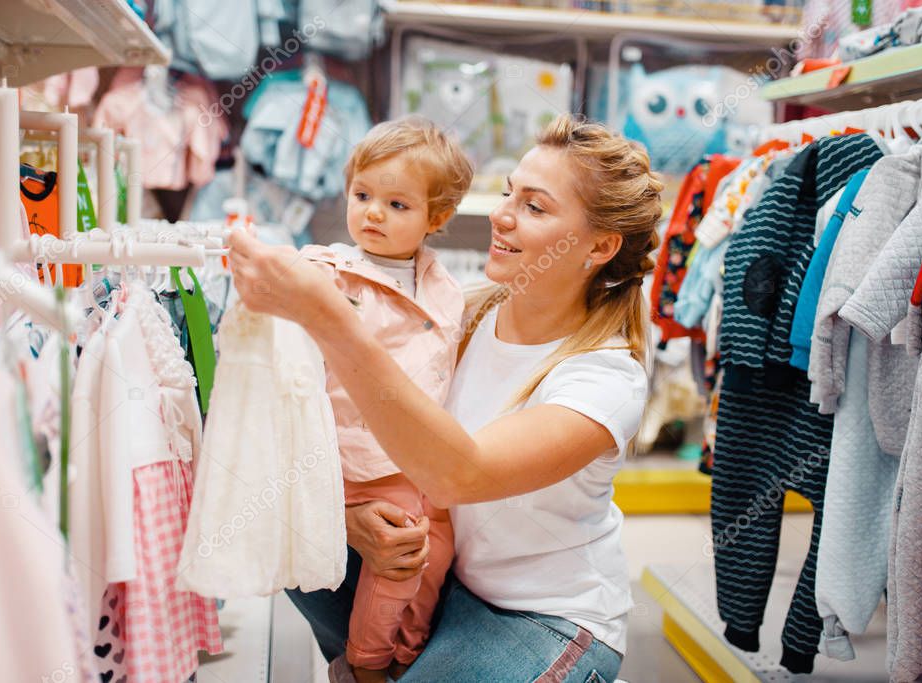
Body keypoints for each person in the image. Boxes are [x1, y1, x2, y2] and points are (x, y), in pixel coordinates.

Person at [229, 114, 662, 682]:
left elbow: (461, 474)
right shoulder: (460, 313)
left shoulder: (604, 376)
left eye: (534, 207)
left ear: (600, 245)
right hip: (444, 579)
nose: (501, 216)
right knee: (291, 539)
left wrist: (333, 319)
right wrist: (350, 518)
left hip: (542, 617)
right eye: (508, 193)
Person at [298, 116, 474, 683]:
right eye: (362, 195)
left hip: (425, 458)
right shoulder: (328, 274)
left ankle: (409, 652)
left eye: (397, 204)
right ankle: (366, 664)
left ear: (435, 218)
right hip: (364, 454)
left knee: (437, 556)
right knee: (400, 559)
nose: (373, 213)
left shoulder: (445, 289)